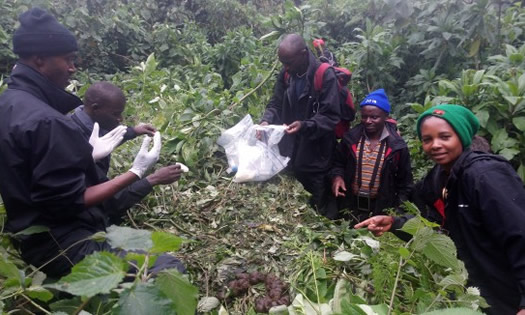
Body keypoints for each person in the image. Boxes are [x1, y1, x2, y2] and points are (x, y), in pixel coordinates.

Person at [0, 7, 184, 277]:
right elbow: (74, 201)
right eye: (68, 60)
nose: (73, 68)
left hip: (30, 233)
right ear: (40, 59)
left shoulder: (9, 103)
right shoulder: (49, 121)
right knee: (169, 269)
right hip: (62, 244)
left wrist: (90, 154)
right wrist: (138, 172)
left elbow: (35, 171)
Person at [355, 104, 525, 315]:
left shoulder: (485, 175)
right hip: (478, 290)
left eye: (445, 137)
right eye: (427, 139)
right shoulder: (438, 179)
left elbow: (519, 235)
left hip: (509, 290)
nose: (435, 145)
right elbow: (436, 228)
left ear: (461, 137)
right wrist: (394, 223)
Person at [259, 33, 341, 218]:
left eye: (289, 62)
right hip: (290, 153)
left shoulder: (325, 75)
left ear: (303, 53)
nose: (285, 67)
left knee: (319, 209)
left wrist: (305, 126)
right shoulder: (287, 73)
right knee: (294, 208)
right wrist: (266, 120)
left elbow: (330, 116)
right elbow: (276, 103)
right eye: (283, 63)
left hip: (317, 157)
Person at [70, 82, 176, 224]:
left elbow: (107, 138)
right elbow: (110, 201)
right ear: (95, 108)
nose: (121, 119)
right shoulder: (77, 143)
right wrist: (152, 179)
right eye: (116, 114)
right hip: (72, 218)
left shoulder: (79, 120)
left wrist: (134, 131)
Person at [329, 89, 413, 222]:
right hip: (351, 204)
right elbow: (337, 163)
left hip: (381, 207)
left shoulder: (397, 146)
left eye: (374, 117)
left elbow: (405, 182)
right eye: (364, 116)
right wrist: (337, 177)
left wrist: (398, 211)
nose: (368, 121)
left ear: (386, 116)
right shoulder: (350, 138)